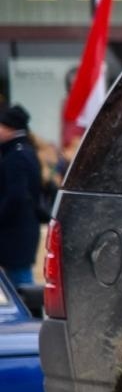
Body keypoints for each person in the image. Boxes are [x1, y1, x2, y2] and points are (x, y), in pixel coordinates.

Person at [0, 104, 42, 286]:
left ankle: (30, 314)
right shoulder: (24, 151)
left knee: (21, 286)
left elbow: (17, 196)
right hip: (21, 230)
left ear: (10, 128)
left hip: (16, 233)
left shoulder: (16, 156)